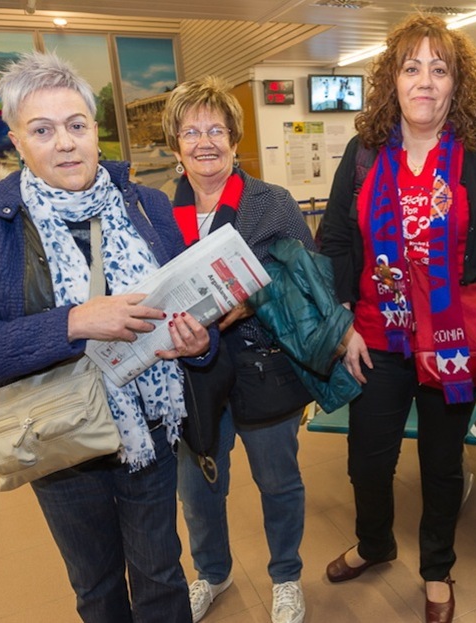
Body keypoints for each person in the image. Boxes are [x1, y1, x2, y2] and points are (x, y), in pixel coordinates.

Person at [0, 52, 213, 622]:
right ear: (16, 139)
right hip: (59, 437)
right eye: (42, 130)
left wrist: (198, 343)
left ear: (94, 130)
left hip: (154, 425)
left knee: (162, 577)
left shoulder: (147, 204)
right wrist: (73, 323)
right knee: (97, 588)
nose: (64, 143)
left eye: (76, 125)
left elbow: (185, 305)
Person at [318, 14, 476, 623]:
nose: (424, 81)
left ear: (456, 83)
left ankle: (437, 569)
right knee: (367, 460)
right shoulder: (364, 155)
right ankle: (375, 543)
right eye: (411, 67)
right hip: (376, 336)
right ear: (393, 78)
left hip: (453, 342)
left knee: (442, 463)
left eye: (439, 69)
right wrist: (341, 321)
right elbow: (335, 239)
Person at [163, 75, 314, 623]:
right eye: (191, 131)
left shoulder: (269, 203)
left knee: (278, 481)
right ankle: (212, 571)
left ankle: (287, 576)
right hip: (190, 373)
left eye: (217, 130)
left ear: (234, 138)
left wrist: (252, 301)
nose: (205, 141)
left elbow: (309, 276)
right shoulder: (159, 213)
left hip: (263, 363)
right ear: (175, 144)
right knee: (198, 487)